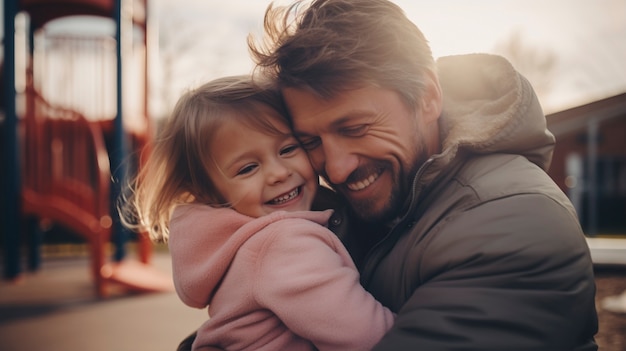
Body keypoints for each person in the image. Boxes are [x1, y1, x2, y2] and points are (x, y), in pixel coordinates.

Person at [243, 0, 599, 350]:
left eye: (355, 128)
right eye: (310, 141)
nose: (335, 169)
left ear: (428, 97)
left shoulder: (518, 222)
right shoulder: (357, 203)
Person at [121, 75, 394, 351]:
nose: (278, 173)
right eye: (247, 168)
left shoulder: (244, 244)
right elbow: (368, 337)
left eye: (288, 149)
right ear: (210, 193)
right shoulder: (283, 245)